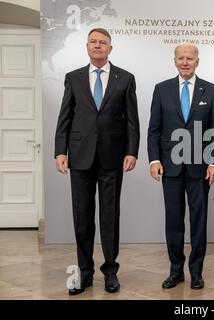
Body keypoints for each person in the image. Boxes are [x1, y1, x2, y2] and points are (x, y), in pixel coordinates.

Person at [54, 28, 140, 295]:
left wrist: (132, 151)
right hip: (79, 156)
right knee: (82, 217)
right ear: (87, 47)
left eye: (103, 43)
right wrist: (60, 151)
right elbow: (65, 117)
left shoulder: (125, 78)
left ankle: (110, 272)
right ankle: (85, 272)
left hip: (113, 157)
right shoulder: (74, 78)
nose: (98, 46)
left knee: (109, 217)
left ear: (110, 49)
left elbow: (132, 120)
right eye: (93, 42)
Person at [147, 44, 214, 290]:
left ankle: (196, 273)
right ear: (174, 61)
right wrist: (154, 159)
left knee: (199, 222)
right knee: (173, 221)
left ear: (197, 61)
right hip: (170, 166)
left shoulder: (211, 90)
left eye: (190, 58)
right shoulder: (161, 89)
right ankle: (176, 271)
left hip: (200, 168)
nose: (185, 62)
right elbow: (154, 129)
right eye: (181, 58)